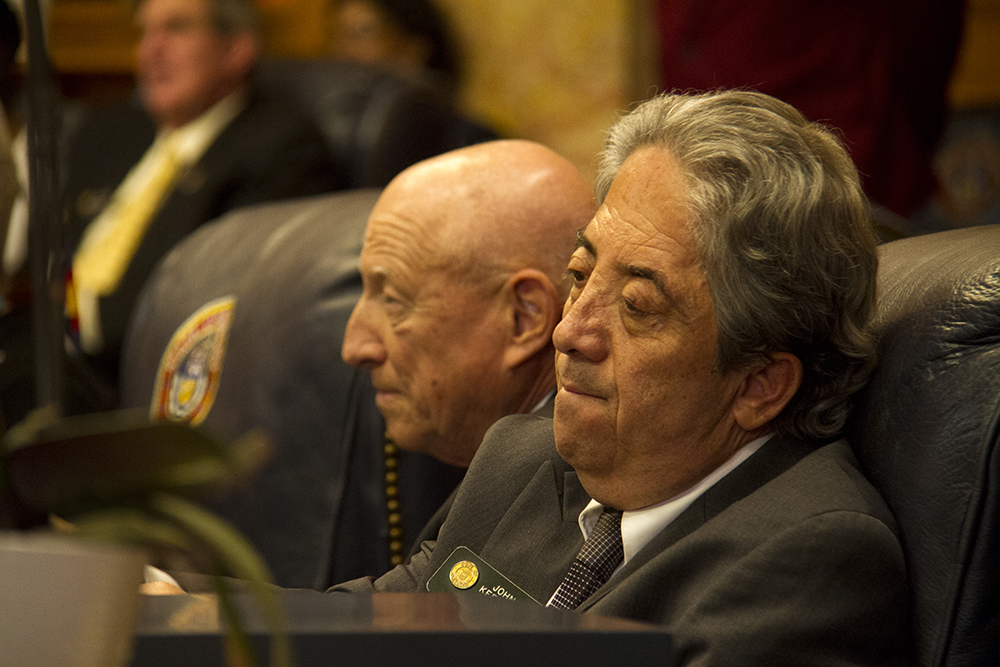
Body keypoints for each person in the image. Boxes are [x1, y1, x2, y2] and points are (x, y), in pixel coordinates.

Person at [330, 90, 910, 665]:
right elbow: (358, 630)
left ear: (760, 384)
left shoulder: (811, 559)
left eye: (637, 306)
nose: (569, 332)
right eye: (581, 276)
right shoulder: (522, 459)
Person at [129, 139, 594, 590]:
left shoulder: (581, 478)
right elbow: (388, 612)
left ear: (523, 317)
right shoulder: (510, 463)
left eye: (392, 300)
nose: (354, 346)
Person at [56, 0, 348, 415]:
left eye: (176, 29)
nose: (151, 50)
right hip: (45, 352)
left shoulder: (281, 148)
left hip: (135, 386)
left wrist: (62, 318)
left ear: (236, 49)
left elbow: (214, 299)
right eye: (144, 33)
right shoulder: (105, 133)